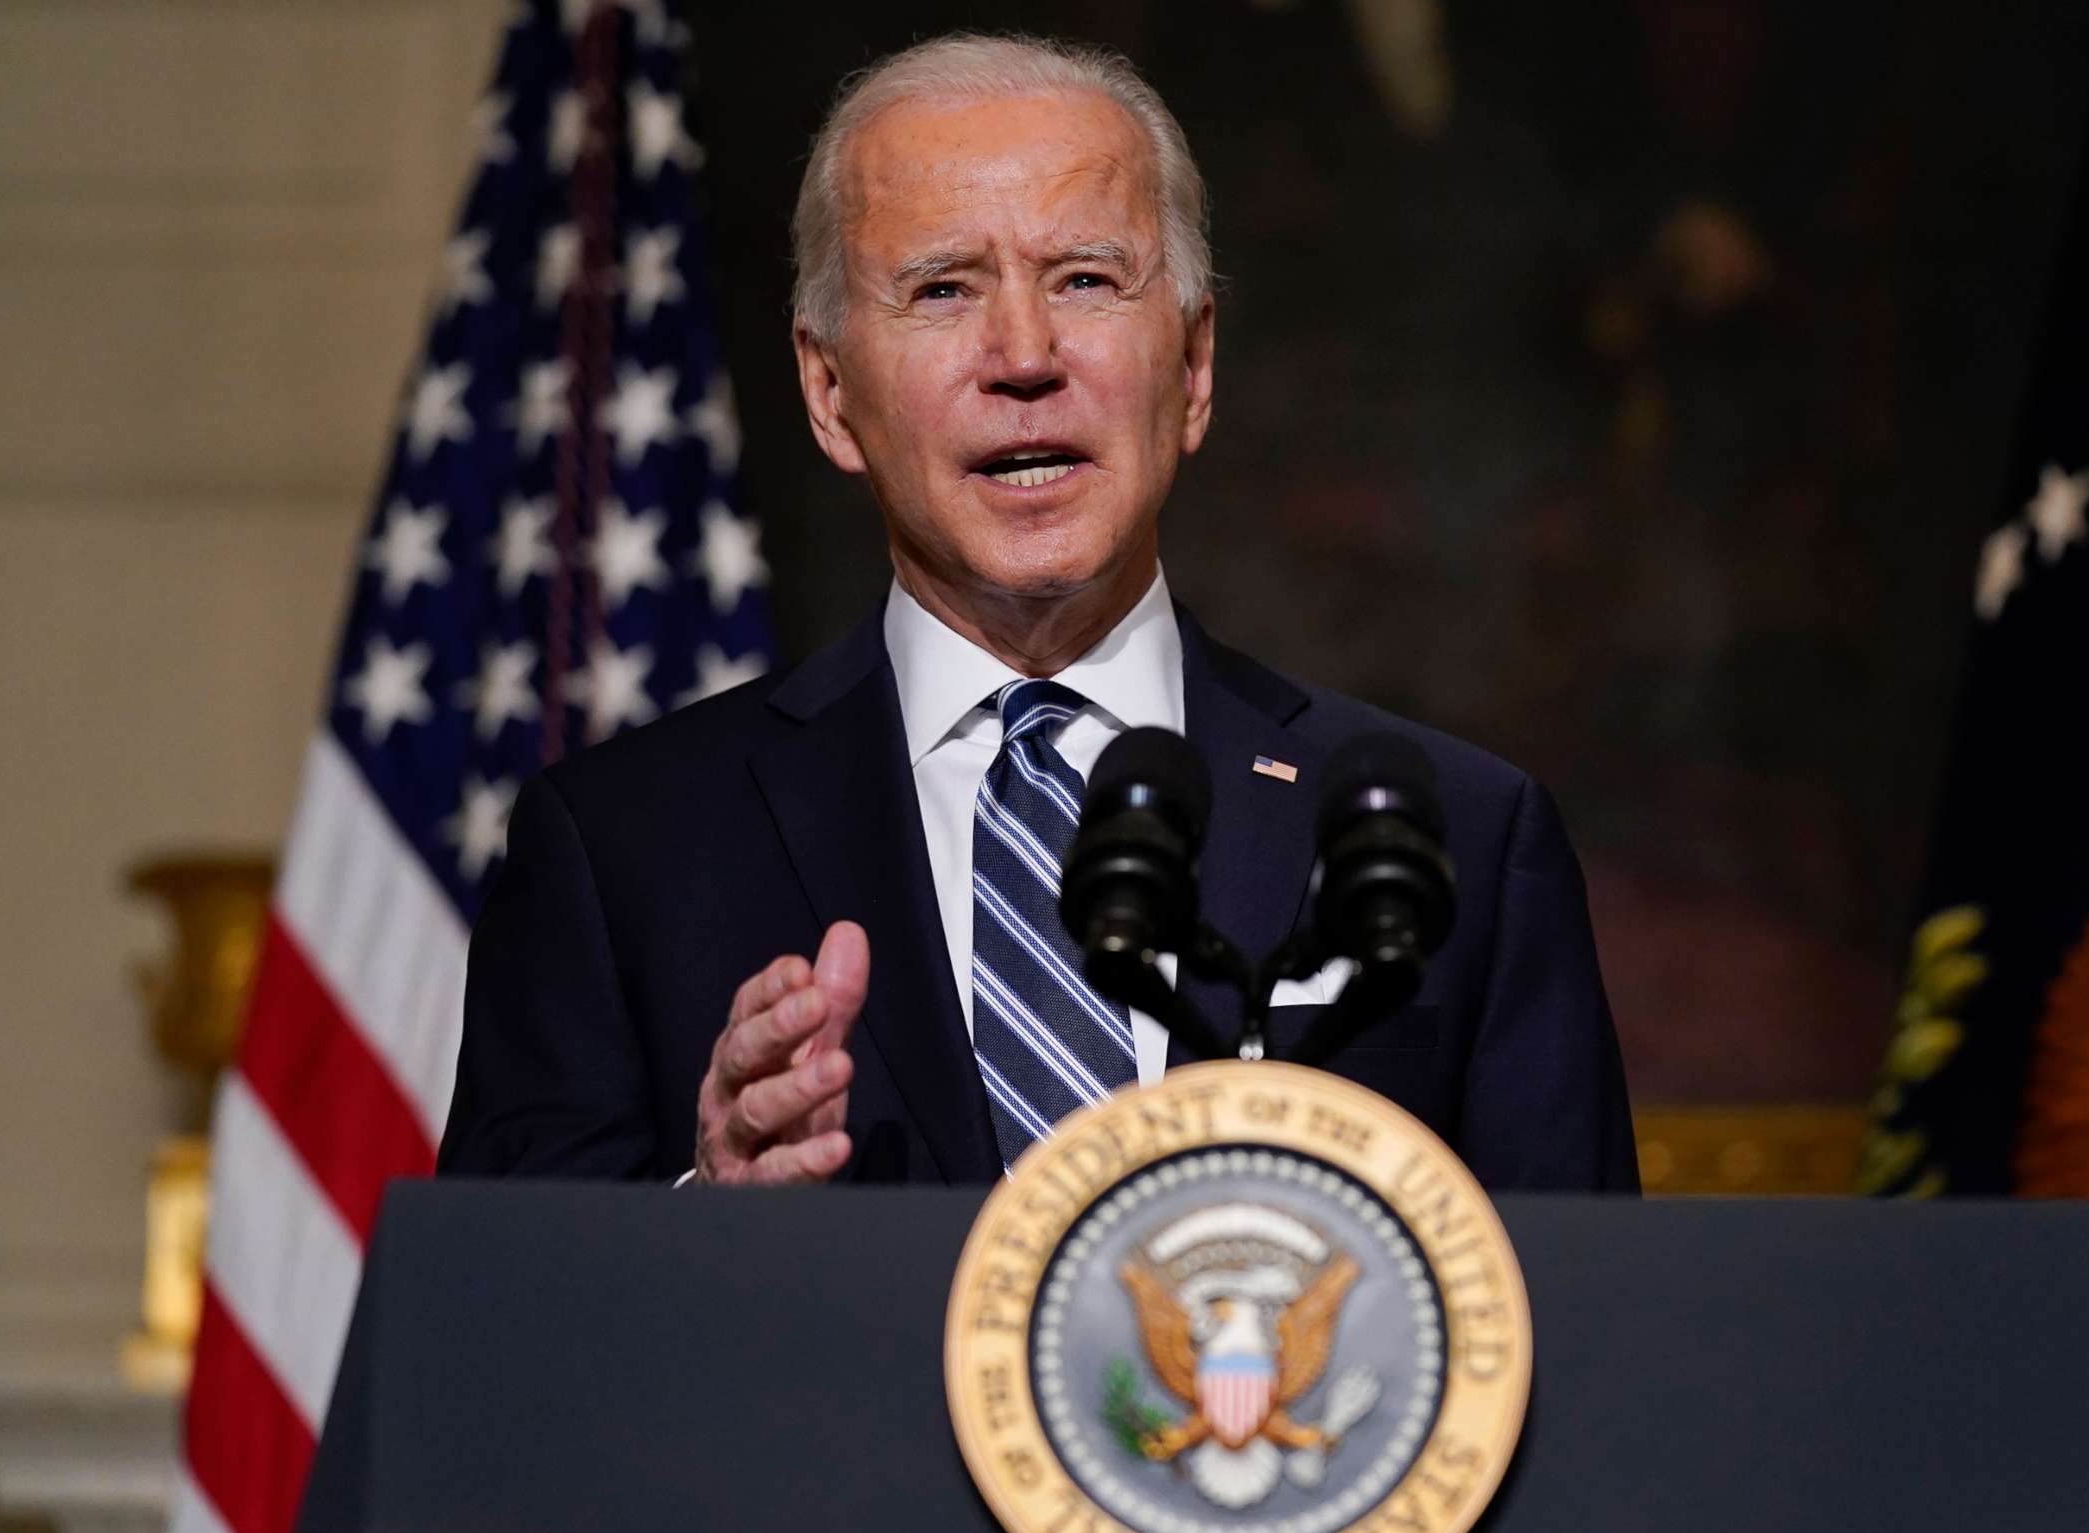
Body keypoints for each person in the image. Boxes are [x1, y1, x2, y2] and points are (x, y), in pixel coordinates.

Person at [438, 32, 1636, 1192]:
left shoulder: (1463, 843)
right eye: (943, 288)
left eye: (1085, 280)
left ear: (1196, 366)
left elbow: (1586, 1349)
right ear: (830, 390)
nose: (1023, 355)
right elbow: (505, 1358)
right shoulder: (622, 851)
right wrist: (710, 1219)